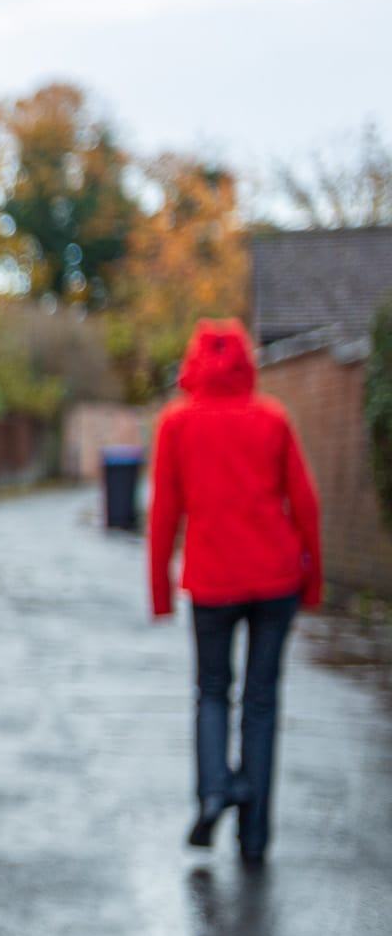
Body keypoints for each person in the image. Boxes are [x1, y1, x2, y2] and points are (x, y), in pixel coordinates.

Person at [148, 319, 322, 866]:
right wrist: (312, 580)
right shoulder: (271, 418)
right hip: (276, 580)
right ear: (248, 361)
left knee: (212, 691)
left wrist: (159, 588)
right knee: (262, 702)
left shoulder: (177, 424)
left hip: (213, 581)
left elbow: (163, 512)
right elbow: (306, 503)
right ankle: (254, 837)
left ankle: (216, 789)